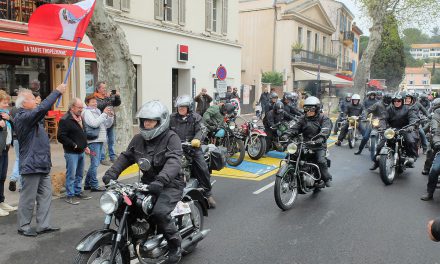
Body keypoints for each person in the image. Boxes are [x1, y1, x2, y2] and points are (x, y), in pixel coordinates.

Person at [103, 100, 184, 264]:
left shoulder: (171, 138)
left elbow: (174, 161)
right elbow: (126, 157)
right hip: (147, 183)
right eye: (144, 121)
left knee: (159, 212)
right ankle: (136, 236)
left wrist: (161, 180)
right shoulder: (138, 139)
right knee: (122, 205)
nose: (147, 124)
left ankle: (175, 245)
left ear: (161, 121)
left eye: (151, 121)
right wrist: (111, 174)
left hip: (170, 184)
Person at [15, 85, 66, 237]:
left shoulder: (32, 116)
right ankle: (23, 226)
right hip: (31, 164)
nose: (36, 101)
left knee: (46, 196)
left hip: (42, 163)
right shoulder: (23, 117)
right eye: (32, 99)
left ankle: (43, 225)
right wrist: (56, 92)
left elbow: (40, 110)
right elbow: (41, 109)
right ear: (24, 103)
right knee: (28, 198)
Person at [170, 95, 216, 208]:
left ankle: (208, 193)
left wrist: (197, 139)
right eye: (179, 107)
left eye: (183, 107)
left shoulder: (196, 117)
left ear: (189, 107)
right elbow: (164, 130)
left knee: (203, 168)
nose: (180, 109)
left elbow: (202, 129)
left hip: (192, 148)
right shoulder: (172, 118)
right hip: (175, 148)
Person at [290, 96, 333, 187]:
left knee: (321, 161)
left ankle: (326, 178)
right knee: (291, 156)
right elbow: (295, 128)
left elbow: (326, 130)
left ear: (317, 109)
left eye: (312, 109)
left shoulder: (323, 118)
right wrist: (286, 134)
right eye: (306, 108)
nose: (309, 111)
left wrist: (321, 138)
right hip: (305, 144)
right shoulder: (303, 118)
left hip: (318, 145)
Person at [370, 92, 419, 170]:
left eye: (398, 101)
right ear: (393, 101)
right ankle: (377, 162)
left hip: (404, 129)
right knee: (380, 145)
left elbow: (413, 118)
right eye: (395, 101)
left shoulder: (408, 109)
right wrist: (382, 126)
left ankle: (412, 157)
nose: (397, 102)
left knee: (410, 141)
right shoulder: (389, 109)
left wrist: (411, 126)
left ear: (402, 101)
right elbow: (383, 118)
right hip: (391, 130)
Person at [57, 98, 92, 205]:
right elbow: (60, 137)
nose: (81, 109)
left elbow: (81, 133)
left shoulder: (79, 117)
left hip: (81, 151)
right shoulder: (65, 119)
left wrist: (85, 146)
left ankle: (78, 191)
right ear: (72, 107)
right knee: (71, 174)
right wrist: (73, 144)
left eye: (82, 107)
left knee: (80, 174)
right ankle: (70, 195)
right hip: (71, 152)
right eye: (79, 107)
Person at [82, 95, 114, 192]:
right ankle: (94, 185)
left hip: (100, 140)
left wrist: (110, 116)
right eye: (92, 102)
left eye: (95, 102)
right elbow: (94, 123)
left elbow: (107, 125)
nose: (95, 103)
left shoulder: (98, 111)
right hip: (93, 141)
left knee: (94, 163)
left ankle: (87, 184)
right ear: (87, 103)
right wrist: (104, 114)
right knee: (95, 163)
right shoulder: (86, 112)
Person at [94, 81, 121, 165]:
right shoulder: (95, 98)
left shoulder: (107, 96)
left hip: (110, 121)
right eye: (103, 88)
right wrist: (108, 98)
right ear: (98, 89)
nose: (105, 89)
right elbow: (100, 106)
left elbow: (117, 103)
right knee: (103, 141)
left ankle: (112, 157)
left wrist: (117, 97)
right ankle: (102, 158)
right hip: (102, 123)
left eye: (105, 88)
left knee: (111, 140)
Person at [0, 90, 16, 217]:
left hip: (5, 148)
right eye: (4, 103)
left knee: (2, 177)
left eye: (7, 102)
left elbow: (15, 126)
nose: (7, 105)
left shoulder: (5, 114)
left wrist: (9, 118)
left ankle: (1, 201)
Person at [421, 99, 440, 201]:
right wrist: (437, 142)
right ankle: (430, 193)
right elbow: (435, 130)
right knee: (435, 170)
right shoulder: (438, 112)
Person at [8, 93, 22, 192]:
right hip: (22, 137)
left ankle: (13, 178)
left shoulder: (12, 109)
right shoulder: (23, 109)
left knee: (18, 159)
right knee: (23, 160)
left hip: (15, 138)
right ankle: (22, 185)